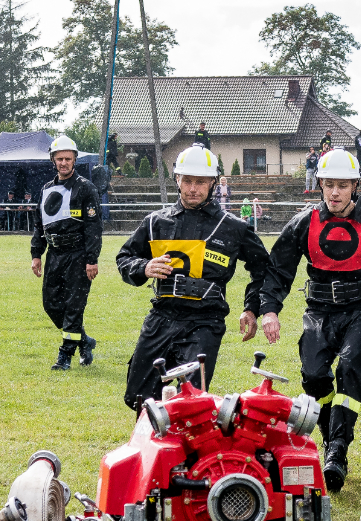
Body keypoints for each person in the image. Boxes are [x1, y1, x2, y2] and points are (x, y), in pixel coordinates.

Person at [259, 149, 361, 491]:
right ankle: (329, 434)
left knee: (348, 369)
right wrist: (270, 310)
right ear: (319, 184)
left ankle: (337, 450)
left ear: (355, 186)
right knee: (313, 376)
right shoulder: (304, 222)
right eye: (329, 185)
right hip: (318, 311)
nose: (335, 192)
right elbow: (279, 270)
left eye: (343, 186)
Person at [116, 145, 271, 410]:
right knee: (140, 399)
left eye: (200, 182)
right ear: (177, 179)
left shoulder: (234, 227)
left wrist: (251, 308)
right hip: (161, 318)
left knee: (191, 402)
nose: (192, 188)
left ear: (213, 183)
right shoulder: (156, 222)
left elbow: (264, 270)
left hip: (204, 322)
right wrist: (143, 267)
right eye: (187, 180)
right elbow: (124, 258)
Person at [30, 135, 103, 370]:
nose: (64, 163)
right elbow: (39, 226)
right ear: (53, 160)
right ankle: (85, 341)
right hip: (55, 254)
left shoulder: (86, 188)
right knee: (51, 304)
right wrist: (36, 254)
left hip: (79, 255)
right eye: (59, 158)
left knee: (73, 306)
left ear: (75, 160)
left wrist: (92, 259)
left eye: (68, 159)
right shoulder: (46, 189)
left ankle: (65, 356)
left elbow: (94, 227)